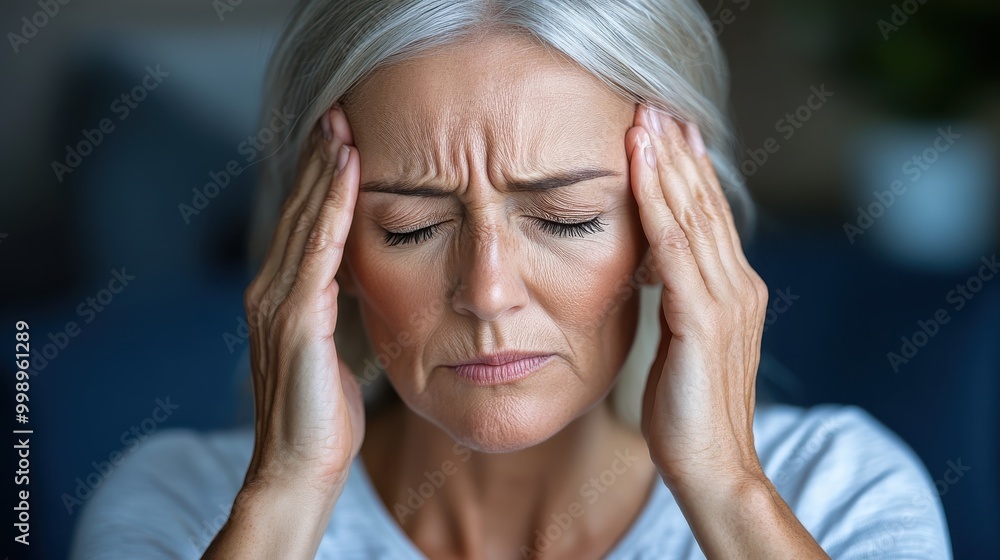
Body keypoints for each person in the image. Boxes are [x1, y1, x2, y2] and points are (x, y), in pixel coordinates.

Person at [70, 1, 952, 558]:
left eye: (566, 218)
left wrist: (726, 488)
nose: (488, 292)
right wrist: (286, 496)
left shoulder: (838, 493)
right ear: (325, 242)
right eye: (411, 227)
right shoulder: (178, 507)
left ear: (672, 230)